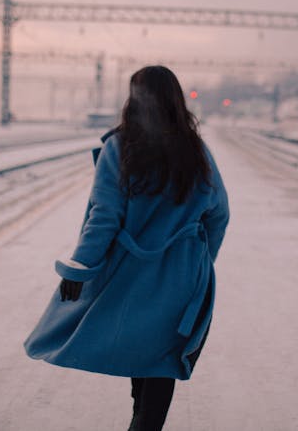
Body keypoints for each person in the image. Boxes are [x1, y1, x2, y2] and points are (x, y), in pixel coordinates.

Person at [24, 65, 229, 431]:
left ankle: (141, 422)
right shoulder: (196, 151)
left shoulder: (120, 149)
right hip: (183, 275)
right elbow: (219, 214)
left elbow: (103, 219)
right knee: (161, 358)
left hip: (131, 273)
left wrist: (80, 268)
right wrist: (199, 261)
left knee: (141, 352)